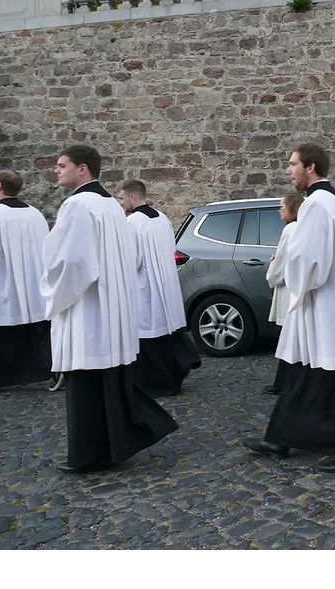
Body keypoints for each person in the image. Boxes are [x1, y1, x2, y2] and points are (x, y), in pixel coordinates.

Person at [41, 145, 177, 473]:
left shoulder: (77, 205)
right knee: (106, 380)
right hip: (110, 307)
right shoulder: (111, 206)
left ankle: (89, 455)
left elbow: (73, 262)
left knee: (86, 384)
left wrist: (51, 294)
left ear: (83, 169)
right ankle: (112, 446)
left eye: (62, 165)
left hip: (86, 309)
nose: (56, 171)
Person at [242, 143, 335, 474]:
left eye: (292, 165)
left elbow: (308, 260)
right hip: (333, 301)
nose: (288, 171)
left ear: (310, 167)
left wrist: (292, 280)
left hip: (324, 304)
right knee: (303, 374)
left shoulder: (315, 206)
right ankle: (281, 438)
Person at [116, 179, 200, 397]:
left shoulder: (132, 222)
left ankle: (152, 384)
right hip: (165, 283)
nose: (121, 203)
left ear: (133, 197)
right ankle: (172, 378)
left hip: (144, 286)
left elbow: (132, 260)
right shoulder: (162, 218)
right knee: (165, 333)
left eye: (122, 198)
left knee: (149, 336)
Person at [0, 169, 51, 393]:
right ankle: (41, 372)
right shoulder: (35, 214)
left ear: (0, 186)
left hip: (1, 285)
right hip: (34, 286)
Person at [264, 192, 304, 394]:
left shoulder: (290, 229)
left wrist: (271, 275)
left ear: (292, 208)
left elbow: (280, 263)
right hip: (297, 288)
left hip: (289, 289)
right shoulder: (303, 228)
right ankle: (283, 382)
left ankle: (283, 383)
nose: (279, 209)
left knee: (289, 338)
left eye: (282, 206)